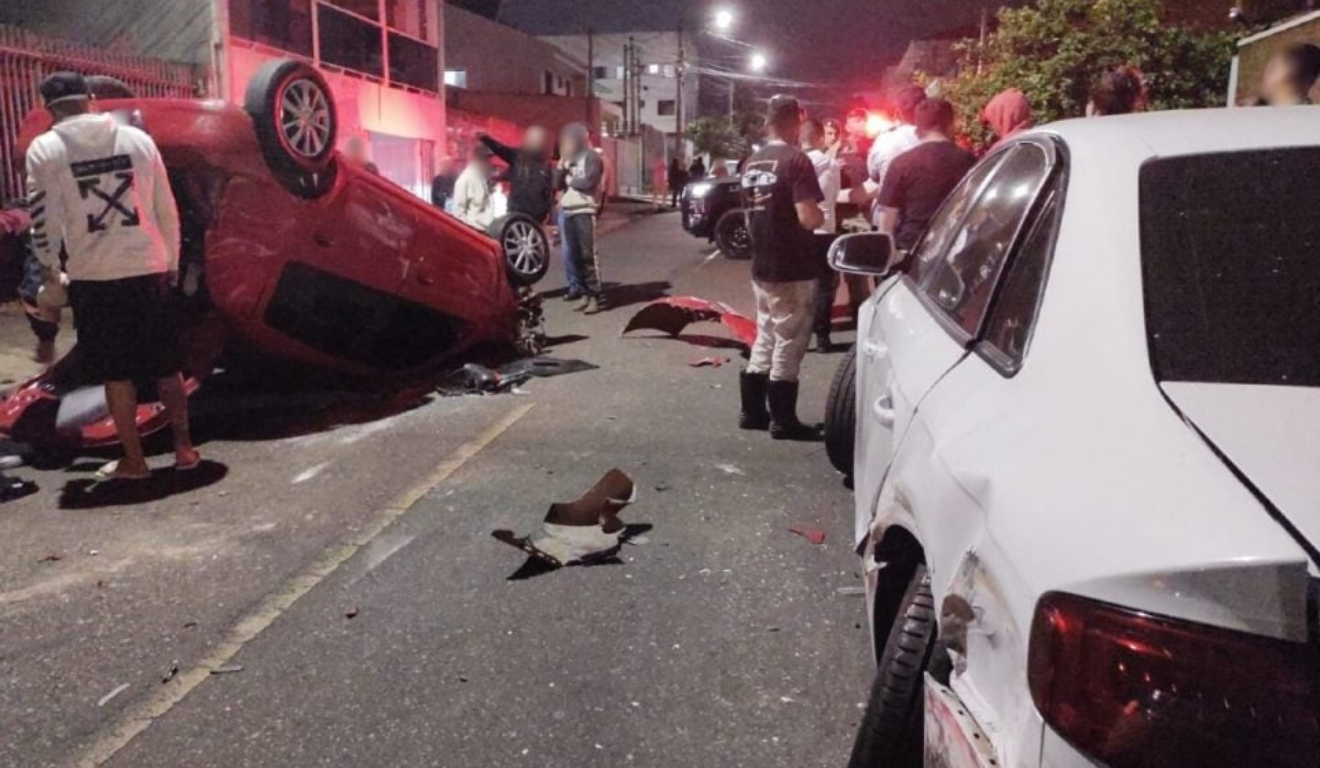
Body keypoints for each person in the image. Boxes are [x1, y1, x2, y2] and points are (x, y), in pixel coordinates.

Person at [25, 71, 197, 480]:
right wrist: (171, 263)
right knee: (167, 366)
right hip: (148, 268)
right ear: (90, 99)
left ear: (48, 108)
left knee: (116, 374)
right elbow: (166, 207)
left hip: (95, 277)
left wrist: (50, 269)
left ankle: (134, 461)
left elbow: (42, 220)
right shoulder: (137, 140)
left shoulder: (45, 149)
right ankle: (184, 449)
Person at [738, 95, 825, 441]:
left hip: (762, 264)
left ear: (767, 122)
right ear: (798, 119)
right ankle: (783, 419)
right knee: (790, 339)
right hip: (793, 265)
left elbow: (748, 218)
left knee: (766, 333)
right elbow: (807, 217)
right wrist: (821, 216)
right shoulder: (796, 160)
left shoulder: (752, 163)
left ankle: (752, 411)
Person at [876, 98, 977, 252]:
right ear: (951, 124)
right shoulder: (968, 161)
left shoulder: (901, 164)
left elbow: (886, 222)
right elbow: (977, 212)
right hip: (953, 247)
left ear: (917, 128)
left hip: (911, 249)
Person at [800, 119, 842, 353]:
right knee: (825, 285)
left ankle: (800, 334)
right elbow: (833, 196)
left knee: (800, 284)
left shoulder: (794, 162)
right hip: (825, 229)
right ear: (819, 137)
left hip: (800, 230)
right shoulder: (830, 164)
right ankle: (822, 337)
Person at [556, 123, 606, 314]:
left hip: (584, 210)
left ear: (578, 139)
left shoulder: (592, 157)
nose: (566, 143)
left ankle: (595, 295)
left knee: (587, 255)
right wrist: (561, 166)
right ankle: (584, 293)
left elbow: (589, 181)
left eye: (569, 139)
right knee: (574, 255)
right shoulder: (568, 159)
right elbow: (556, 184)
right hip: (568, 210)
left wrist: (570, 180)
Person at [866, 85, 926, 225]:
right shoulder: (939, 139)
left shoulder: (885, 140)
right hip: (931, 222)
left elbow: (875, 179)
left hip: (891, 223)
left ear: (898, 112)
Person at [479, 126, 553, 223]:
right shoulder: (518, 156)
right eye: (533, 139)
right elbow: (501, 149)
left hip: (536, 217)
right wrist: (485, 139)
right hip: (516, 211)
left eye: (538, 140)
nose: (535, 142)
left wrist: (547, 210)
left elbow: (548, 190)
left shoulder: (545, 166)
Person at [453, 144, 495, 229]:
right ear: (476, 159)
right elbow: (458, 213)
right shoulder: (465, 179)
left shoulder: (483, 177)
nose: (488, 163)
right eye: (484, 159)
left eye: (488, 159)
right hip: (475, 230)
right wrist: (469, 231)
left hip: (488, 229)